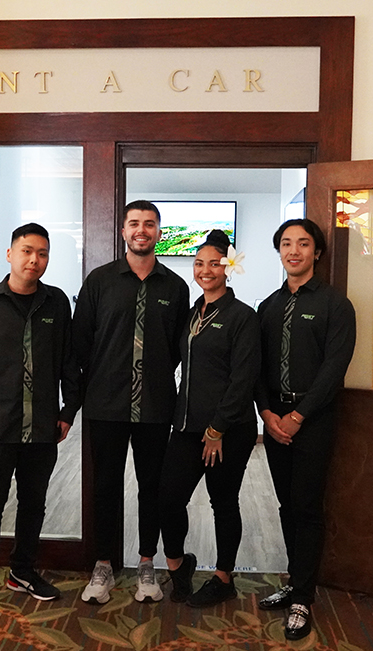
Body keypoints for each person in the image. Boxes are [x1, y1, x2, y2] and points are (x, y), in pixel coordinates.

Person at [0, 223, 81, 614]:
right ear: (10, 254)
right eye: (27, 251)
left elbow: (68, 361)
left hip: (42, 426)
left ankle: (22, 570)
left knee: (34, 503)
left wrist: (67, 409)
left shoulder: (56, 303)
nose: (34, 260)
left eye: (42, 253)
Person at [73, 200, 190, 604]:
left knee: (152, 488)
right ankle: (103, 565)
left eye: (150, 224)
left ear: (160, 232)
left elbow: (178, 347)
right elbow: (82, 343)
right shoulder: (100, 281)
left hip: (156, 406)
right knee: (105, 487)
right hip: (105, 405)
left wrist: (150, 375)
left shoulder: (175, 287)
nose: (142, 230)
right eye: (135, 223)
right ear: (123, 231)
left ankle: (146, 564)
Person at [255, 219, 356, 640]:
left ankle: (302, 598)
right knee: (284, 504)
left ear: (317, 252)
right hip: (275, 417)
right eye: (285, 244)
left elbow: (335, 368)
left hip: (313, 418)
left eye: (303, 243)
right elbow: (256, 364)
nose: (293, 250)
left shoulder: (336, 305)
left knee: (307, 504)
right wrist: (266, 413)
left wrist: (298, 416)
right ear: (279, 251)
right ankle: (295, 581)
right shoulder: (268, 306)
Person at [160, 230, 261, 607]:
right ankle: (179, 564)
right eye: (199, 263)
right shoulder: (191, 315)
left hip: (228, 431)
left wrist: (217, 429)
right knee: (168, 498)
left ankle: (223, 576)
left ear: (228, 267)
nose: (205, 270)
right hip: (186, 427)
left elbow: (243, 379)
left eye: (214, 263)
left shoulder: (242, 317)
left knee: (223, 502)